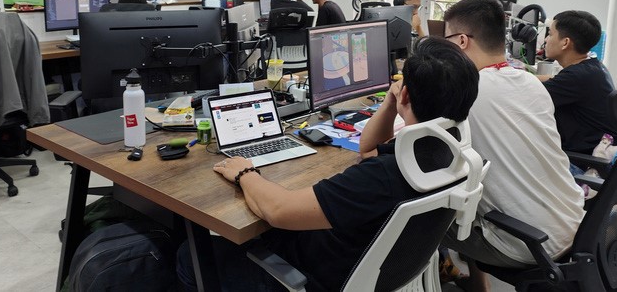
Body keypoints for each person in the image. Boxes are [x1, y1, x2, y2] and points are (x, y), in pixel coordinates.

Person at [177, 37, 480, 292]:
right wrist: (390, 103)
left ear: (407, 94)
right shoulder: (449, 154)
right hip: (376, 272)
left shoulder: (382, 177)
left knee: (189, 256)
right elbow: (370, 147)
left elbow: (278, 211)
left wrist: (244, 172)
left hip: (312, 277)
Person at [441, 0, 585, 292]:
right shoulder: (531, 82)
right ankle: (477, 286)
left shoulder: (465, 93)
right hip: (576, 226)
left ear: (462, 41)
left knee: (422, 213)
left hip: (528, 244)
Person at [538, 10, 617, 153]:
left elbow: (527, 95)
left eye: (550, 34)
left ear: (565, 42)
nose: (545, 40)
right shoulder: (593, 68)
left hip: (581, 163)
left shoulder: (577, 77)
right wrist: (525, 74)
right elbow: (556, 81)